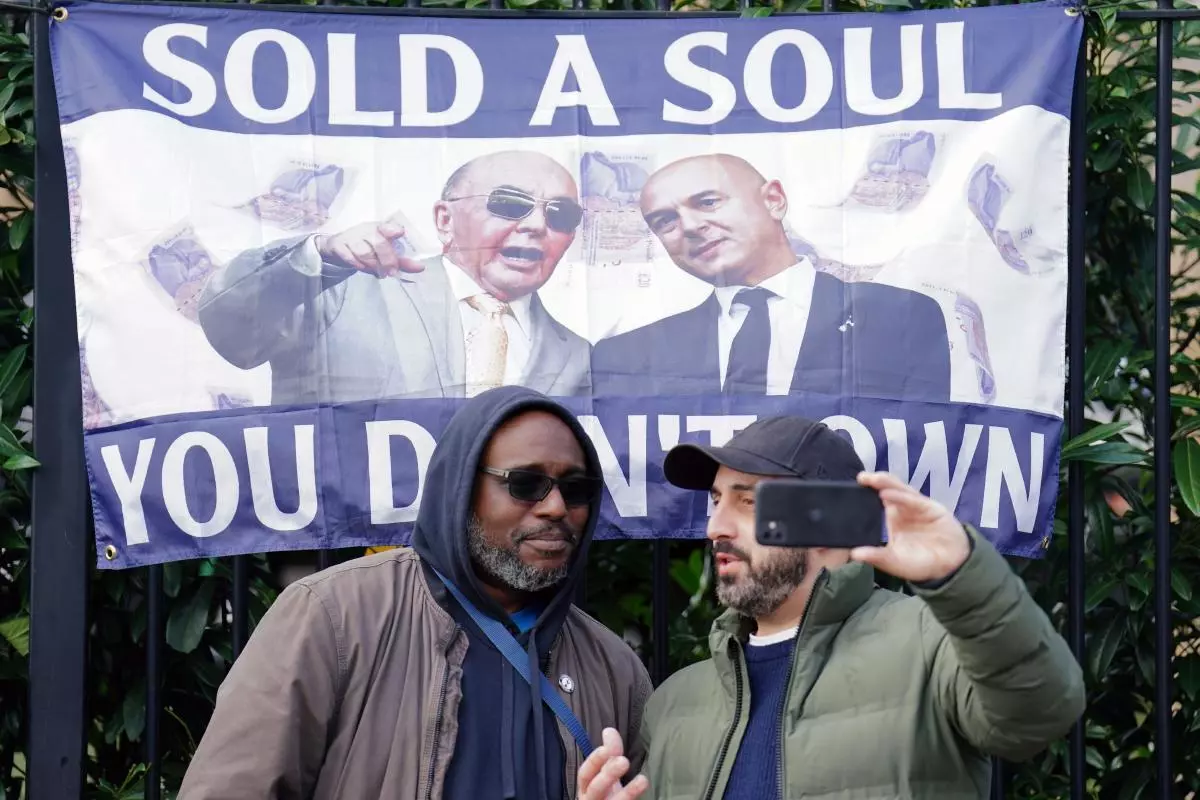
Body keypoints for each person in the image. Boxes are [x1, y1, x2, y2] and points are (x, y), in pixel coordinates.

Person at [178, 386, 652, 800]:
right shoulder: (333, 618)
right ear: (462, 487)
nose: (555, 507)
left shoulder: (613, 669)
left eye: (576, 488)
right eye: (525, 484)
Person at [576, 415, 1085, 800]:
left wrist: (963, 575)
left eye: (749, 502)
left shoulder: (933, 643)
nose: (716, 528)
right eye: (715, 501)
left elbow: (1041, 712)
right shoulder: (673, 703)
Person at [198, 150, 592, 405]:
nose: (538, 225)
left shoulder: (577, 355)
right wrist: (316, 256)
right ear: (444, 219)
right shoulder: (338, 288)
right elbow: (230, 328)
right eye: (511, 204)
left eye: (560, 215)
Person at [590, 154, 951, 402]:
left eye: (708, 202)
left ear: (774, 200)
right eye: (665, 221)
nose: (690, 226)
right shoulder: (625, 358)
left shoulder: (900, 319)